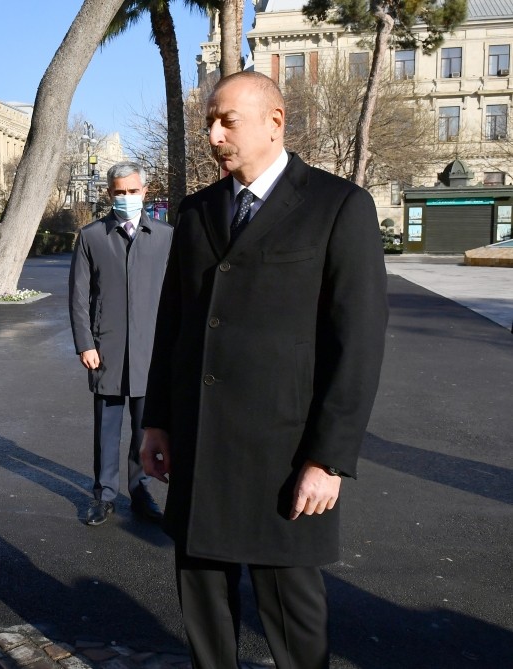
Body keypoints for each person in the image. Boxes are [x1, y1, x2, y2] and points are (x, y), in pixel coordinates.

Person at [140, 71, 388, 668]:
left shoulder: (338, 206)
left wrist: (328, 459)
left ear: (275, 121)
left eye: (228, 120)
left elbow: (357, 343)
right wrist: (157, 423)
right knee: (203, 605)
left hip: (284, 451)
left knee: (292, 616)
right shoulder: (198, 211)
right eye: (208, 122)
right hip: (200, 442)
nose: (213, 133)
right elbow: (172, 327)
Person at [69, 161, 174, 526]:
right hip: (106, 348)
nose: (126, 198)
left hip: (152, 350)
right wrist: (85, 343)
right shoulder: (92, 236)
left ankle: (140, 492)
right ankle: (104, 495)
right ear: (109, 193)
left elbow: (177, 297)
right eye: (119, 192)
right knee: (106, 429)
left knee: (145, 429)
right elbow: (79, 297)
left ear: (145, 192)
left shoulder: (165, 237)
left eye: (133, 191)